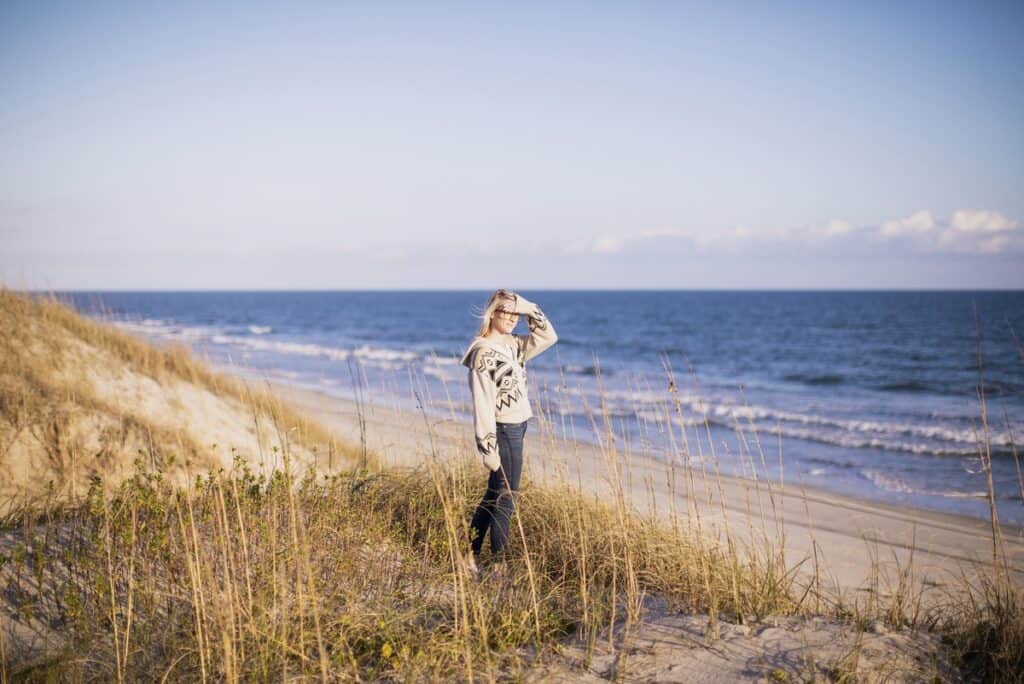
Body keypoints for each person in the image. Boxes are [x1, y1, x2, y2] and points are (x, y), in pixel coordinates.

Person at [459, 289, 558, 577]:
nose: (513, 318)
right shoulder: (483, 353)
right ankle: (499, 566)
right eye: (506, 311)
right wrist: (487, 447)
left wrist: (527, 307)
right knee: (507, 497)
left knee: (494, 494)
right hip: (504, 431)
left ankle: (469, 557)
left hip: (519, 425)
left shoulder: (514, 345)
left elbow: (549, 336)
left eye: (516, 313)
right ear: (492, 312)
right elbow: (483, 404)